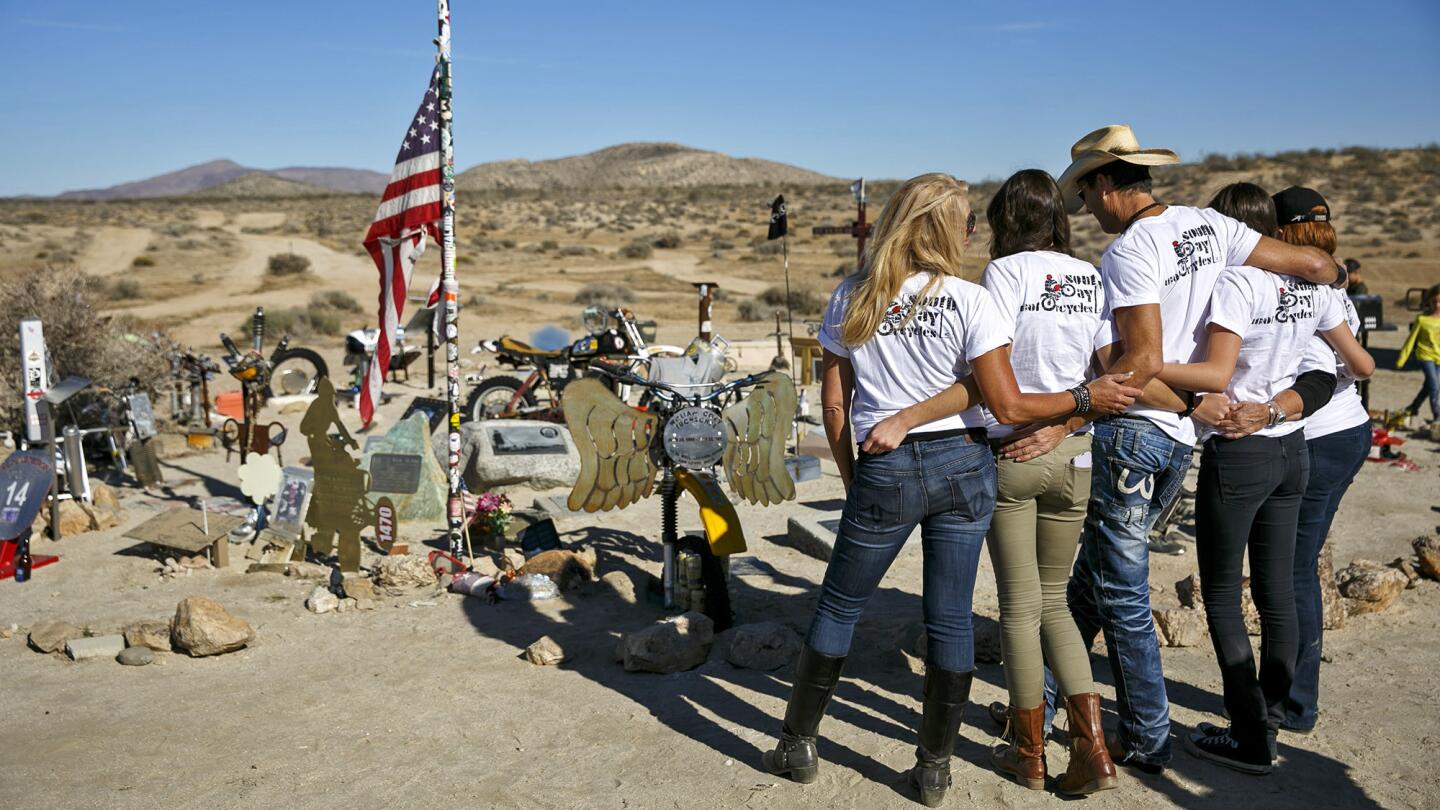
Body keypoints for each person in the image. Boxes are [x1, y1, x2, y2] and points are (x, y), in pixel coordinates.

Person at [760, 173, 1140, 807]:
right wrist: (1082, 399)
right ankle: (934, 766)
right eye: (966, 224)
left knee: (837, 607)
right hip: (963, 464)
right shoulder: (970, 300)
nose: (972, 234)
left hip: (886, 463)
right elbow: (1002, 400)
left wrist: (858, 478)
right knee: (950, 617)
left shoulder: (852, 296)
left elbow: (834, 406)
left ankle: (797, 743)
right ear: (944, 230)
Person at [1051, 125, 1346, 773]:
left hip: (1141, 427)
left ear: (1105, 184)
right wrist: (1333, 277)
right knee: (1092, 578)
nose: (1091, 215)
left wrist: (1072, 406)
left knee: (1119, 588)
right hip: (1182, 442)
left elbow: (1144, 359)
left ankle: (1148, 735)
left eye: (1089, 199)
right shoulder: (1211, 225)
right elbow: (1317, 266)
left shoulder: (1132, 250)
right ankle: (1052, 697)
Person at [1154, 182, 1373, 774]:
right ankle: (1275, 711)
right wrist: (1279, 408)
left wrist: (1142, 361)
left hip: (1240, 450)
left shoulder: (1236, 283)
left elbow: (1217, 369)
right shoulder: (1308, 288)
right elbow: (1332, 369)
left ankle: (1250, 735)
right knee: (1278, 589)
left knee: (1223, 595)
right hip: (1291, 449)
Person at [956, 169, 1122, 795]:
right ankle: (1093, 750)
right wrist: (1070, 420)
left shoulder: (1004, 275)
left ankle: (1028, 753)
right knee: (1056, 604)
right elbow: (1111, 373)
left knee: (1021, 610)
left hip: (1016, 448)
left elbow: (989, 362)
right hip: (1075, 451)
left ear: (1006, 219)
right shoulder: (1090, 275)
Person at [1398, 286, 1440, 422]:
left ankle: (1413, 407)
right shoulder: (1422, 319)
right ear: (1430, 302)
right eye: (1434, 301)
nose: (1437, 305)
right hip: (1425, 355)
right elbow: (1411, 340)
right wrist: (1402, 359)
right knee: (1434, 385)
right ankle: (1437, 416)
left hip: (1438, 357)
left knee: (1429, 385)